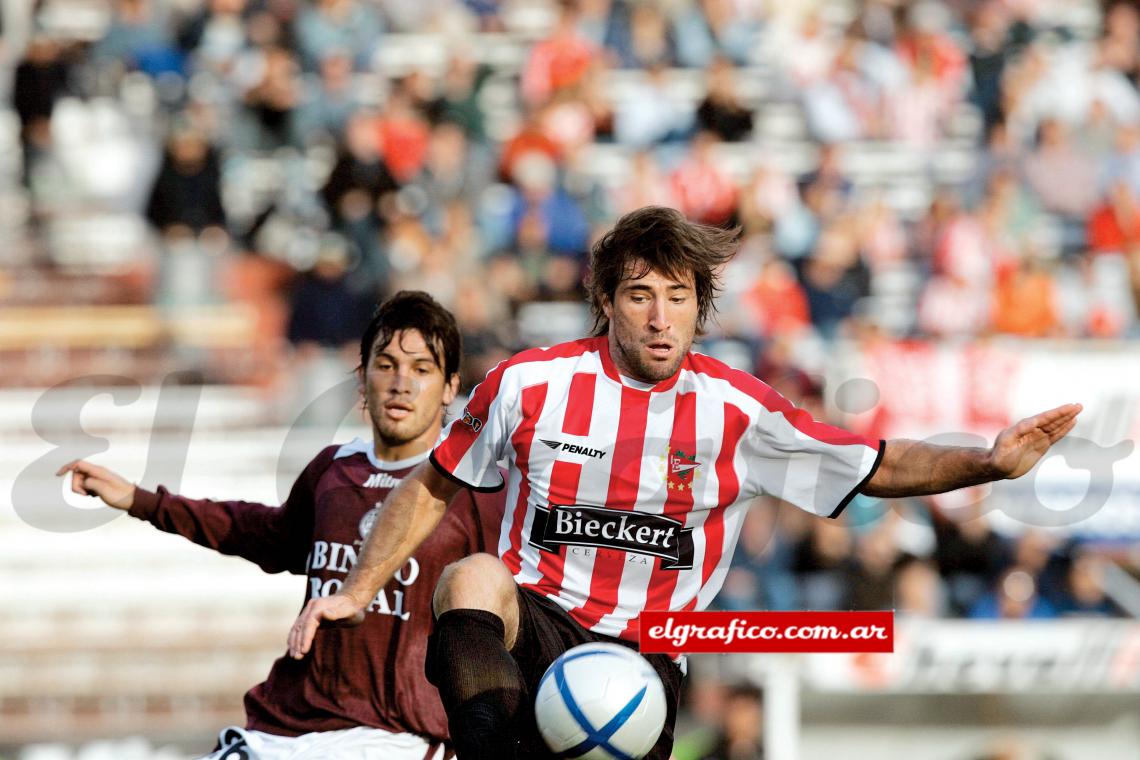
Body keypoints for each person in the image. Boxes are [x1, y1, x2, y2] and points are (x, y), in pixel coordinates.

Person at [288, 206, 1082, 759]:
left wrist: (988, 461)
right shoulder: (529, 384)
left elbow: (875, 464)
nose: (660, 317)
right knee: (473, 576)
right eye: (640, 296)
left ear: (701, 307)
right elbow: (432, 484)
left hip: (645, 656)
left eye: (678, 297)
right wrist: (357, 590)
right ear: (606, 302)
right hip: (534, 624)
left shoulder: (738, 411)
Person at [59, 291, 505, 759]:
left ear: (451, 386)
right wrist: (139, 500)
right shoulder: (332, 469)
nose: (401, 384)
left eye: (421, 369)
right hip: (286, 725)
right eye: (386, 364)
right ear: (362, 378)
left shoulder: (470, 492)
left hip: (396, 737)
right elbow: (262, 532)